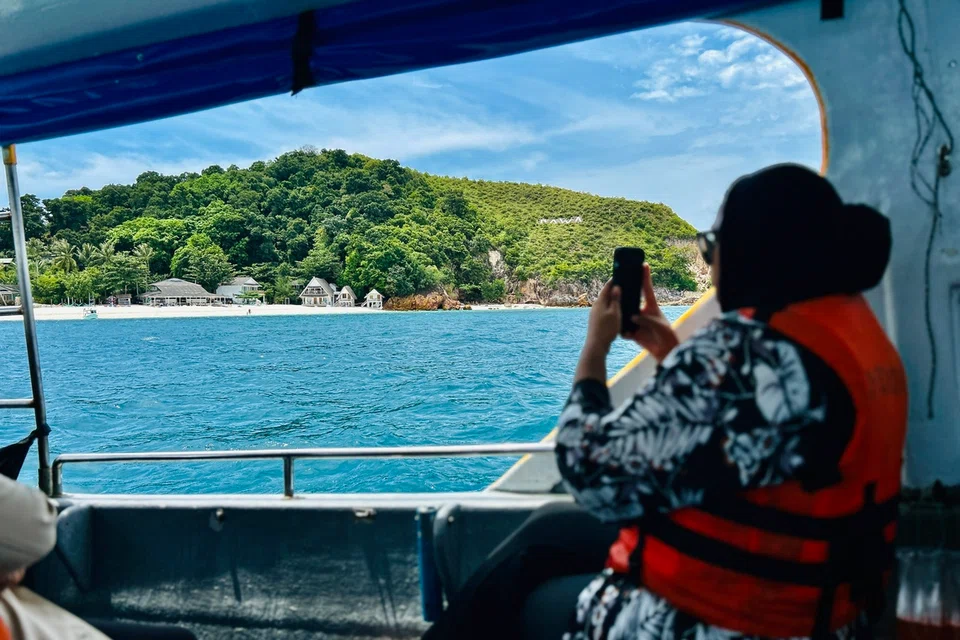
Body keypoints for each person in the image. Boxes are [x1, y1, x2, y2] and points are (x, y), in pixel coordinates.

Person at [423, 164, 907, 640]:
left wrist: (595, 348)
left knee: (510, 588)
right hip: (829, 609)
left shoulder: (743, 353)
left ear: (749, 254)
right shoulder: (857, 340)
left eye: (711, 247)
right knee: (549, 528)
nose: (710, 260)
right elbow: (751, 429)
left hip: (721, 621)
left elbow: (588, 470)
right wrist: (670, 350)